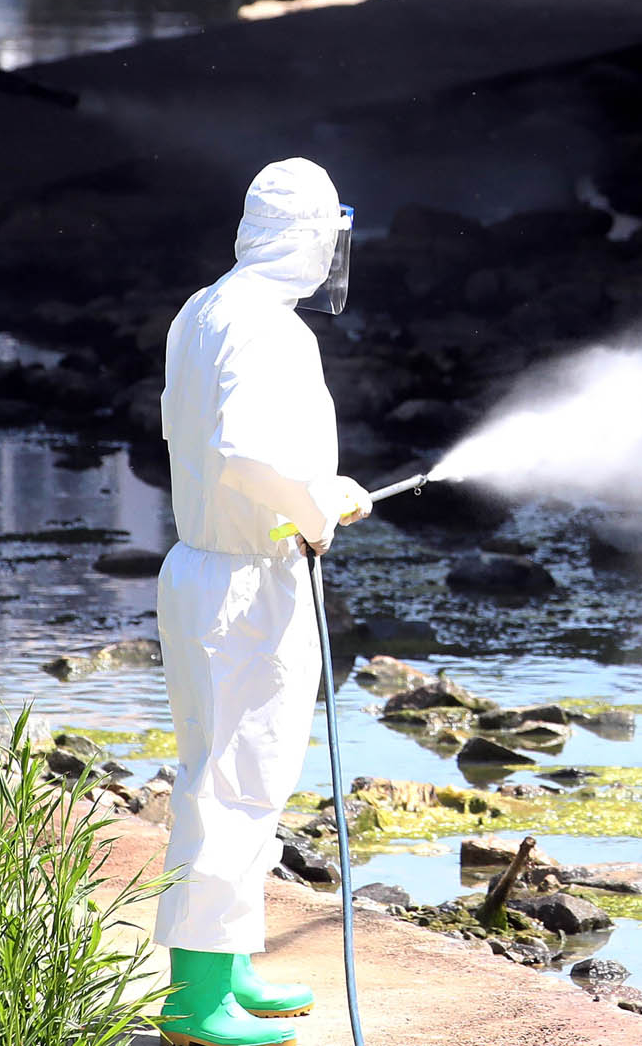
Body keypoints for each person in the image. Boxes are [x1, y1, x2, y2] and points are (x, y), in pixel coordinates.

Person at [154, 158, 371, 1046]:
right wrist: (319, 504)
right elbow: (245, 455)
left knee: (235, 775)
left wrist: (310, 500)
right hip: (246, 585)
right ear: (312, 239)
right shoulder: (270, 332)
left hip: (209, 570)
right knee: (234, 785)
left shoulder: (208, 307)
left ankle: (228, 963)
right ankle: (195, 1003)